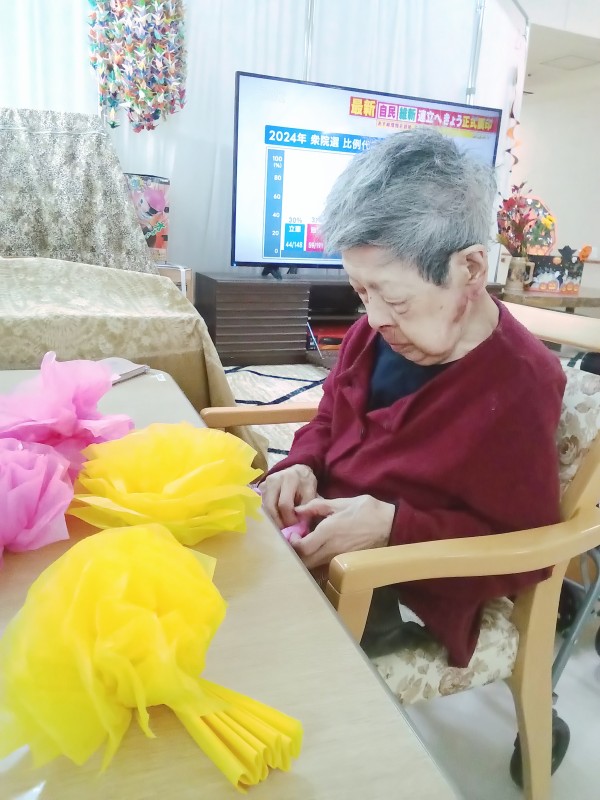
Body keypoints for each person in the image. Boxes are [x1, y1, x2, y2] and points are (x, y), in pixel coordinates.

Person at [260, 129, 566, 668]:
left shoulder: (520, 382)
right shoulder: (373, 333)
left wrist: (392, 528)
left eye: (396, 299)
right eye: (361, 292)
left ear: (471, 269)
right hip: (319, 535)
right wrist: (301, 463)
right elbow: (329, 418)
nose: (374, 317)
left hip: (403, 588)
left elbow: (526, 552)